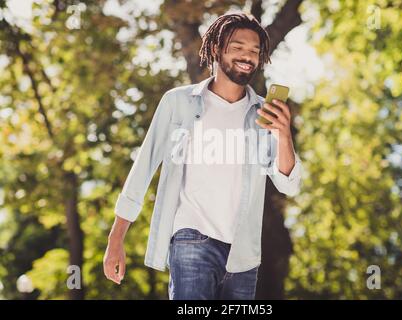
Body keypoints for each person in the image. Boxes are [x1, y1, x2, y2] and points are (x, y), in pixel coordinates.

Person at [103, 12, 302, 300]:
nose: (247, 56)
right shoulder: (179, 103)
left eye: (254, 51)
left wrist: (283, 135)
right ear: (215, 49)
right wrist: (116, 238)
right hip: (192, 239)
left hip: (243, 254)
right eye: (237, 47)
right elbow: (143, 167)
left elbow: (289, 184)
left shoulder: (264, 114)